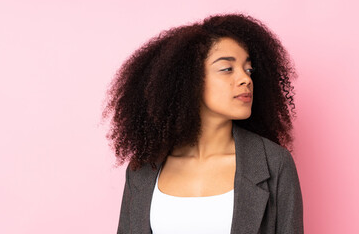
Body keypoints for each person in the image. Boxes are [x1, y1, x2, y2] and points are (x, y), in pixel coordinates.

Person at [103, 13, 303, 234]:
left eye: (249, 70)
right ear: (190, 81)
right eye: (227, 69)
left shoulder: (274, 163)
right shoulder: (143, 168)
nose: (246, 79)